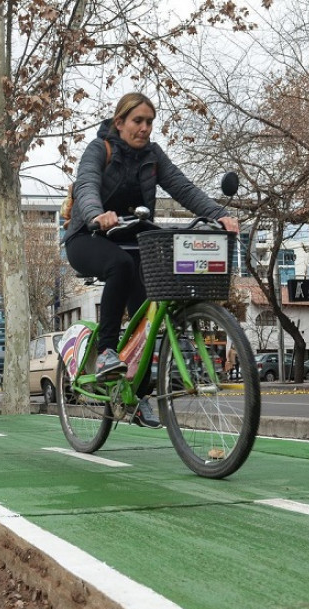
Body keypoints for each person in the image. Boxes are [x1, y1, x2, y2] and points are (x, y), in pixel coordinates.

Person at [63, 91, 239, 429]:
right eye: (137, 121)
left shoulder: (153, 157)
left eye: (149, 122)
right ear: (120, 123)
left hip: (134, 240)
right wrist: (97, 214)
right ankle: (106, 353)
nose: (144, 128)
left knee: (151, 311)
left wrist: (219, 215)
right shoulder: (100, 149)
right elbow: (86, 185)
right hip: (89, 236)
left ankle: (138, 393)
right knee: (121, 267)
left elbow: (183, 189)